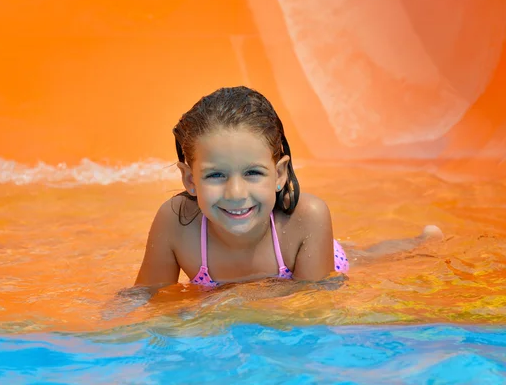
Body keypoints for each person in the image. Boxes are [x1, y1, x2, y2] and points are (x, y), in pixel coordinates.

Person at [134, 86, 441, 289]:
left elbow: (311, 309)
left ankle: (421, 242)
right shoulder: (176, 221)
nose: (236, 193)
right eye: (216, 176)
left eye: (253, 173)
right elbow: (146, 297)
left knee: (367, 257)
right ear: (189, 179)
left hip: (321, 258)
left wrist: (225, 305)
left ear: (279, 174)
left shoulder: (307, 218)